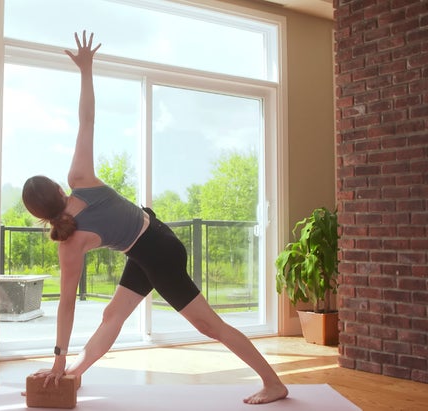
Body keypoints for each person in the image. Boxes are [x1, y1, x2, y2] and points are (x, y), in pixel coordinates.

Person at [22, 31, 289, 405]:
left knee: (209, 325)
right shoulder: (79, 181)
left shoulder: (69, 242)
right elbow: (87, 121)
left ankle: (273, 383)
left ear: (39, 214)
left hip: (159, 252)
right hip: (149, 243)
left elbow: (65, 305)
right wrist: (86, 69)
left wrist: (57, 353)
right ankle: (73, 374)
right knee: (112, 314)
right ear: (58, 189)